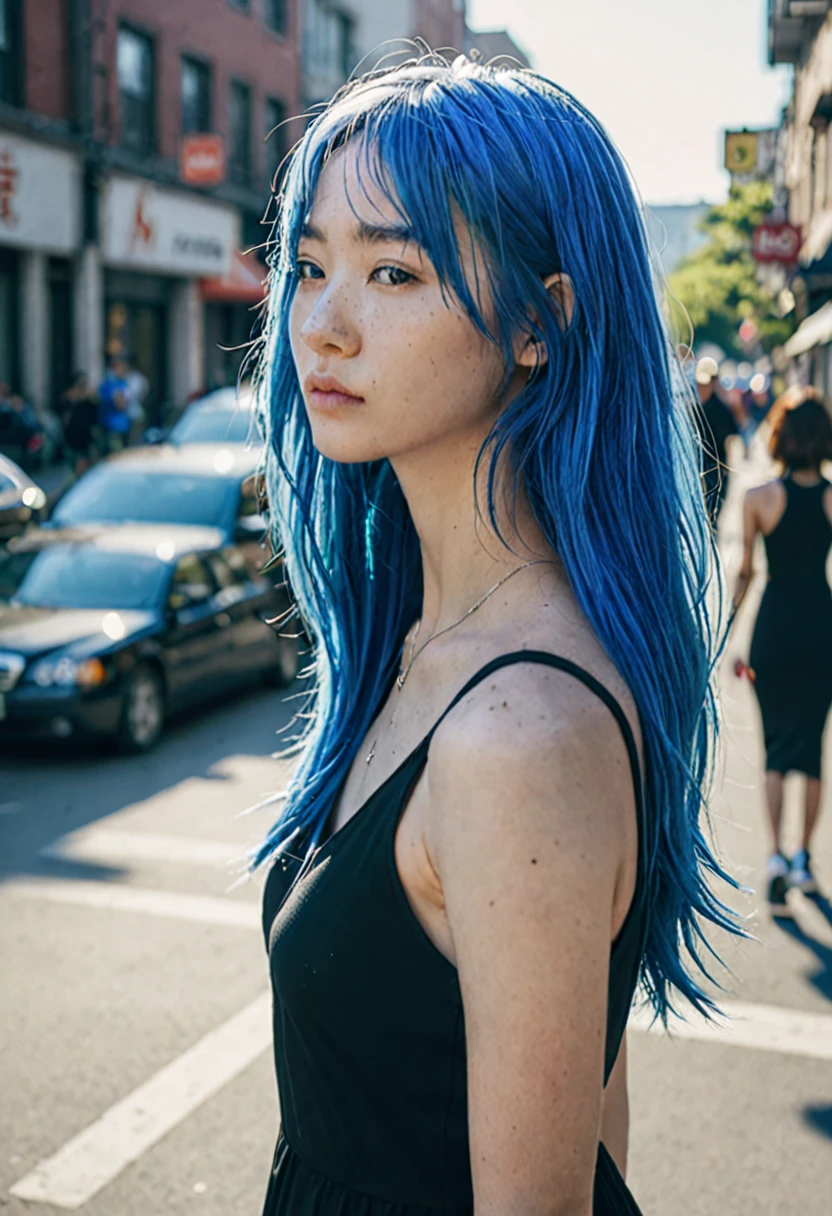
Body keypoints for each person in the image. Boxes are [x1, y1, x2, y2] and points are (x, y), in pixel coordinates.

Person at [255, 52, 738, 1216]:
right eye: (310, 265)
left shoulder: (517, 729)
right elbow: (597, 1101)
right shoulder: (423, 635)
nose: (320, 325)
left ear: (538, 321)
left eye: (394, 271)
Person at [733, 387, 832, 916]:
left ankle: (773, 856)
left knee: (775, 749)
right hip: (821, 625)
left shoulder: (757, 500)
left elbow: (746, 574)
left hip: (772, 629)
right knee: (812, 752)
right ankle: (802, 859)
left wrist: (728, 635)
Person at [693, 356, 740, 525]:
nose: (701, 388)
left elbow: (732, 434)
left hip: (715, 470)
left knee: (712, 520)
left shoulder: (719, 407)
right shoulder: (692, 407)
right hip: (697, 470)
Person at [58, 372, 100, 477]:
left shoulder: (90, 403)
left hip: (85, 443)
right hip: (72, 443)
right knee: (74, 474)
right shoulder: (70, 402)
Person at [97, 357, 132, 452]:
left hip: (122, 427)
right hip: (109, 428)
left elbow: (124, 402)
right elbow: (117, 402)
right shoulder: (107, 385)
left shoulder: (123, 384)